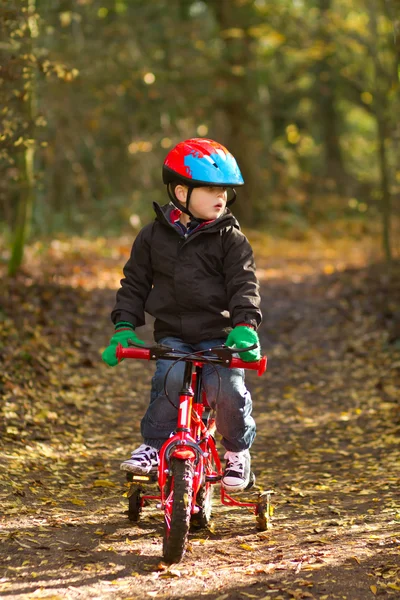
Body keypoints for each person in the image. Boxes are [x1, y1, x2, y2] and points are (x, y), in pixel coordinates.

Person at [102, 138, 262, 492]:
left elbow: (243, 285)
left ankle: (237, 451)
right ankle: (155, 446)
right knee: (169, 381)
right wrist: (124, 326)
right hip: (173, 333)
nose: (220, 196)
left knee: (228, 389)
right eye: (209, 188)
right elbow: (134, 284)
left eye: (224, 189)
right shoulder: (152, 237)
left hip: (220, 337)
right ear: (180, 191)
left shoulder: (231, 240)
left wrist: (245, 326)